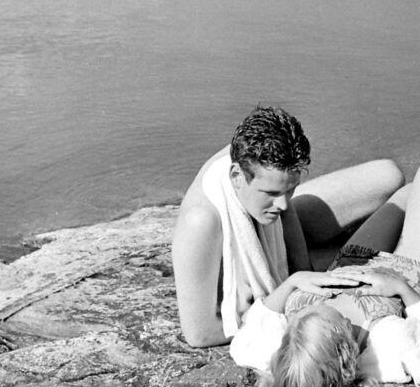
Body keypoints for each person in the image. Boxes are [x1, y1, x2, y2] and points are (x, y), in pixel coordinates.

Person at [229, 156, 420, 387]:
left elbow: (249, 331)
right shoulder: (391, 344)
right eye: (331, 314)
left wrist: (294, 281)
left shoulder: (287, 355)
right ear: (345, 347)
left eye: (309, 310)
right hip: (411, 273)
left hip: (352, 260)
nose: (329, 304)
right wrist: (402, 290)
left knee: (410, 192)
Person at [171, 105, 405, 347]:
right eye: (271, 192)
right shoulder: (200, 223)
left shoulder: (261, 152)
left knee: (388, 175)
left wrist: (306, 272)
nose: (282, 204)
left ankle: (311, 235)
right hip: (233, 250)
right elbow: (199, 335)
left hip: (266, 225)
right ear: (236, 176)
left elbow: (285, 208)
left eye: (290, 189)